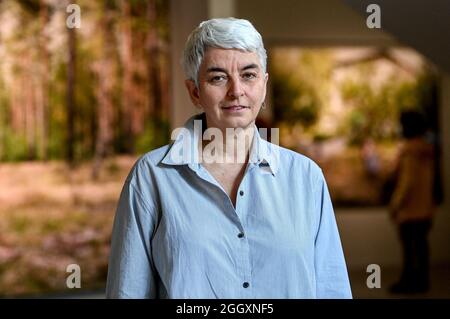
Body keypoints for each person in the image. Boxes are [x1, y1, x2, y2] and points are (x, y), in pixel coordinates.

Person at [106, 17, 352, 299]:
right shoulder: (151, 176)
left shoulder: (306, 177)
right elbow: (128, 293)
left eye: (249, 75)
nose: (237, 91)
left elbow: (332, 290)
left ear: (264, 85)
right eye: (218, 77)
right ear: (195, 92)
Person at [389, 110, 436, 294]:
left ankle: (408, 283)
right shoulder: (426, 149)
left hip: (410, 211)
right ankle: (422, 282)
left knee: (410, 251)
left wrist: (395, 205)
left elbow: (407, 183)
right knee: (422, 248)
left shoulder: (409, 151)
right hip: (425, 209)